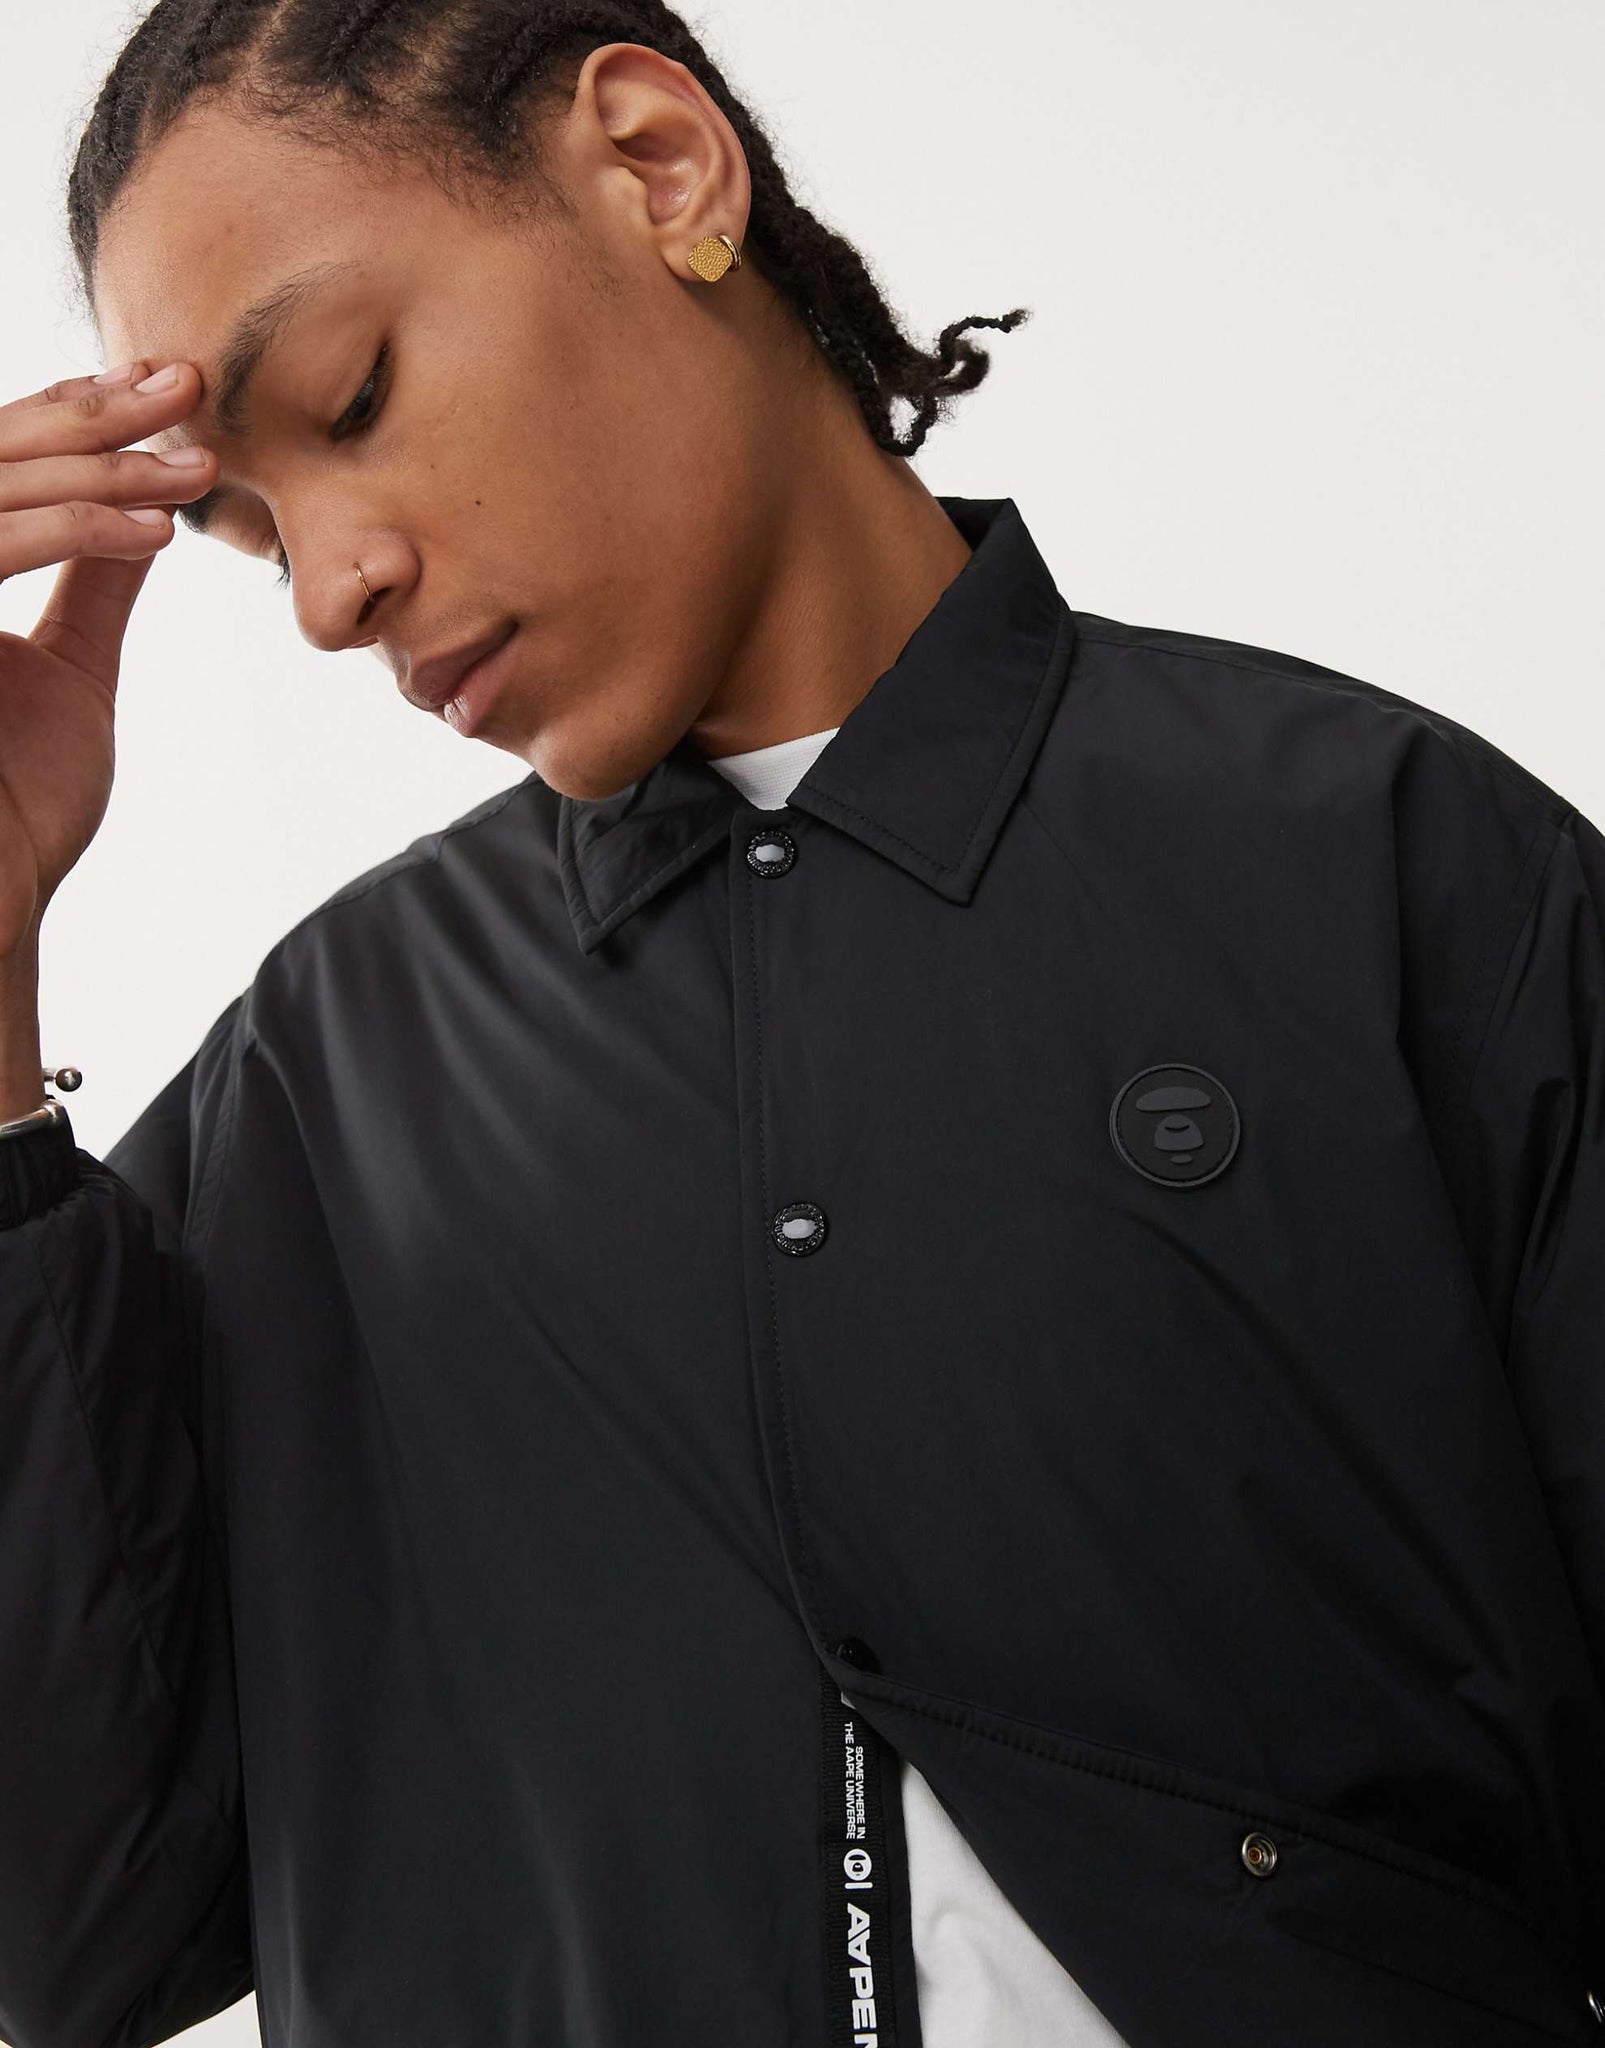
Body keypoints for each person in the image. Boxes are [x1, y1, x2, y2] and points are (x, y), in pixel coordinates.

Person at [2, 3, 1603, 2045]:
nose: (328, 591)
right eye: (249, 532)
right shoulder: (324, 1080)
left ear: (655, 165)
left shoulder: (1393, 873)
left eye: (355, 395)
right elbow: (72, 1926)